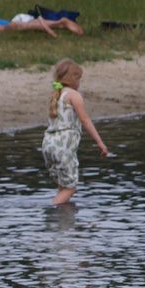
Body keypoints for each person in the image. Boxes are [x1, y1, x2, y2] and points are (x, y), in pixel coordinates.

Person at [41, 58, 110, 206]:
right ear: (73, 79)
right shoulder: (73, 95)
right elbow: (85, 120)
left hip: (48, 144)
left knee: (63, 186)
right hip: (63, 147)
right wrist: (100, 143)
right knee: (70, 188)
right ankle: (52, 210)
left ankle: (63, 217)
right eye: (79, 79)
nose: (79, 83)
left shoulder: (56, 94)